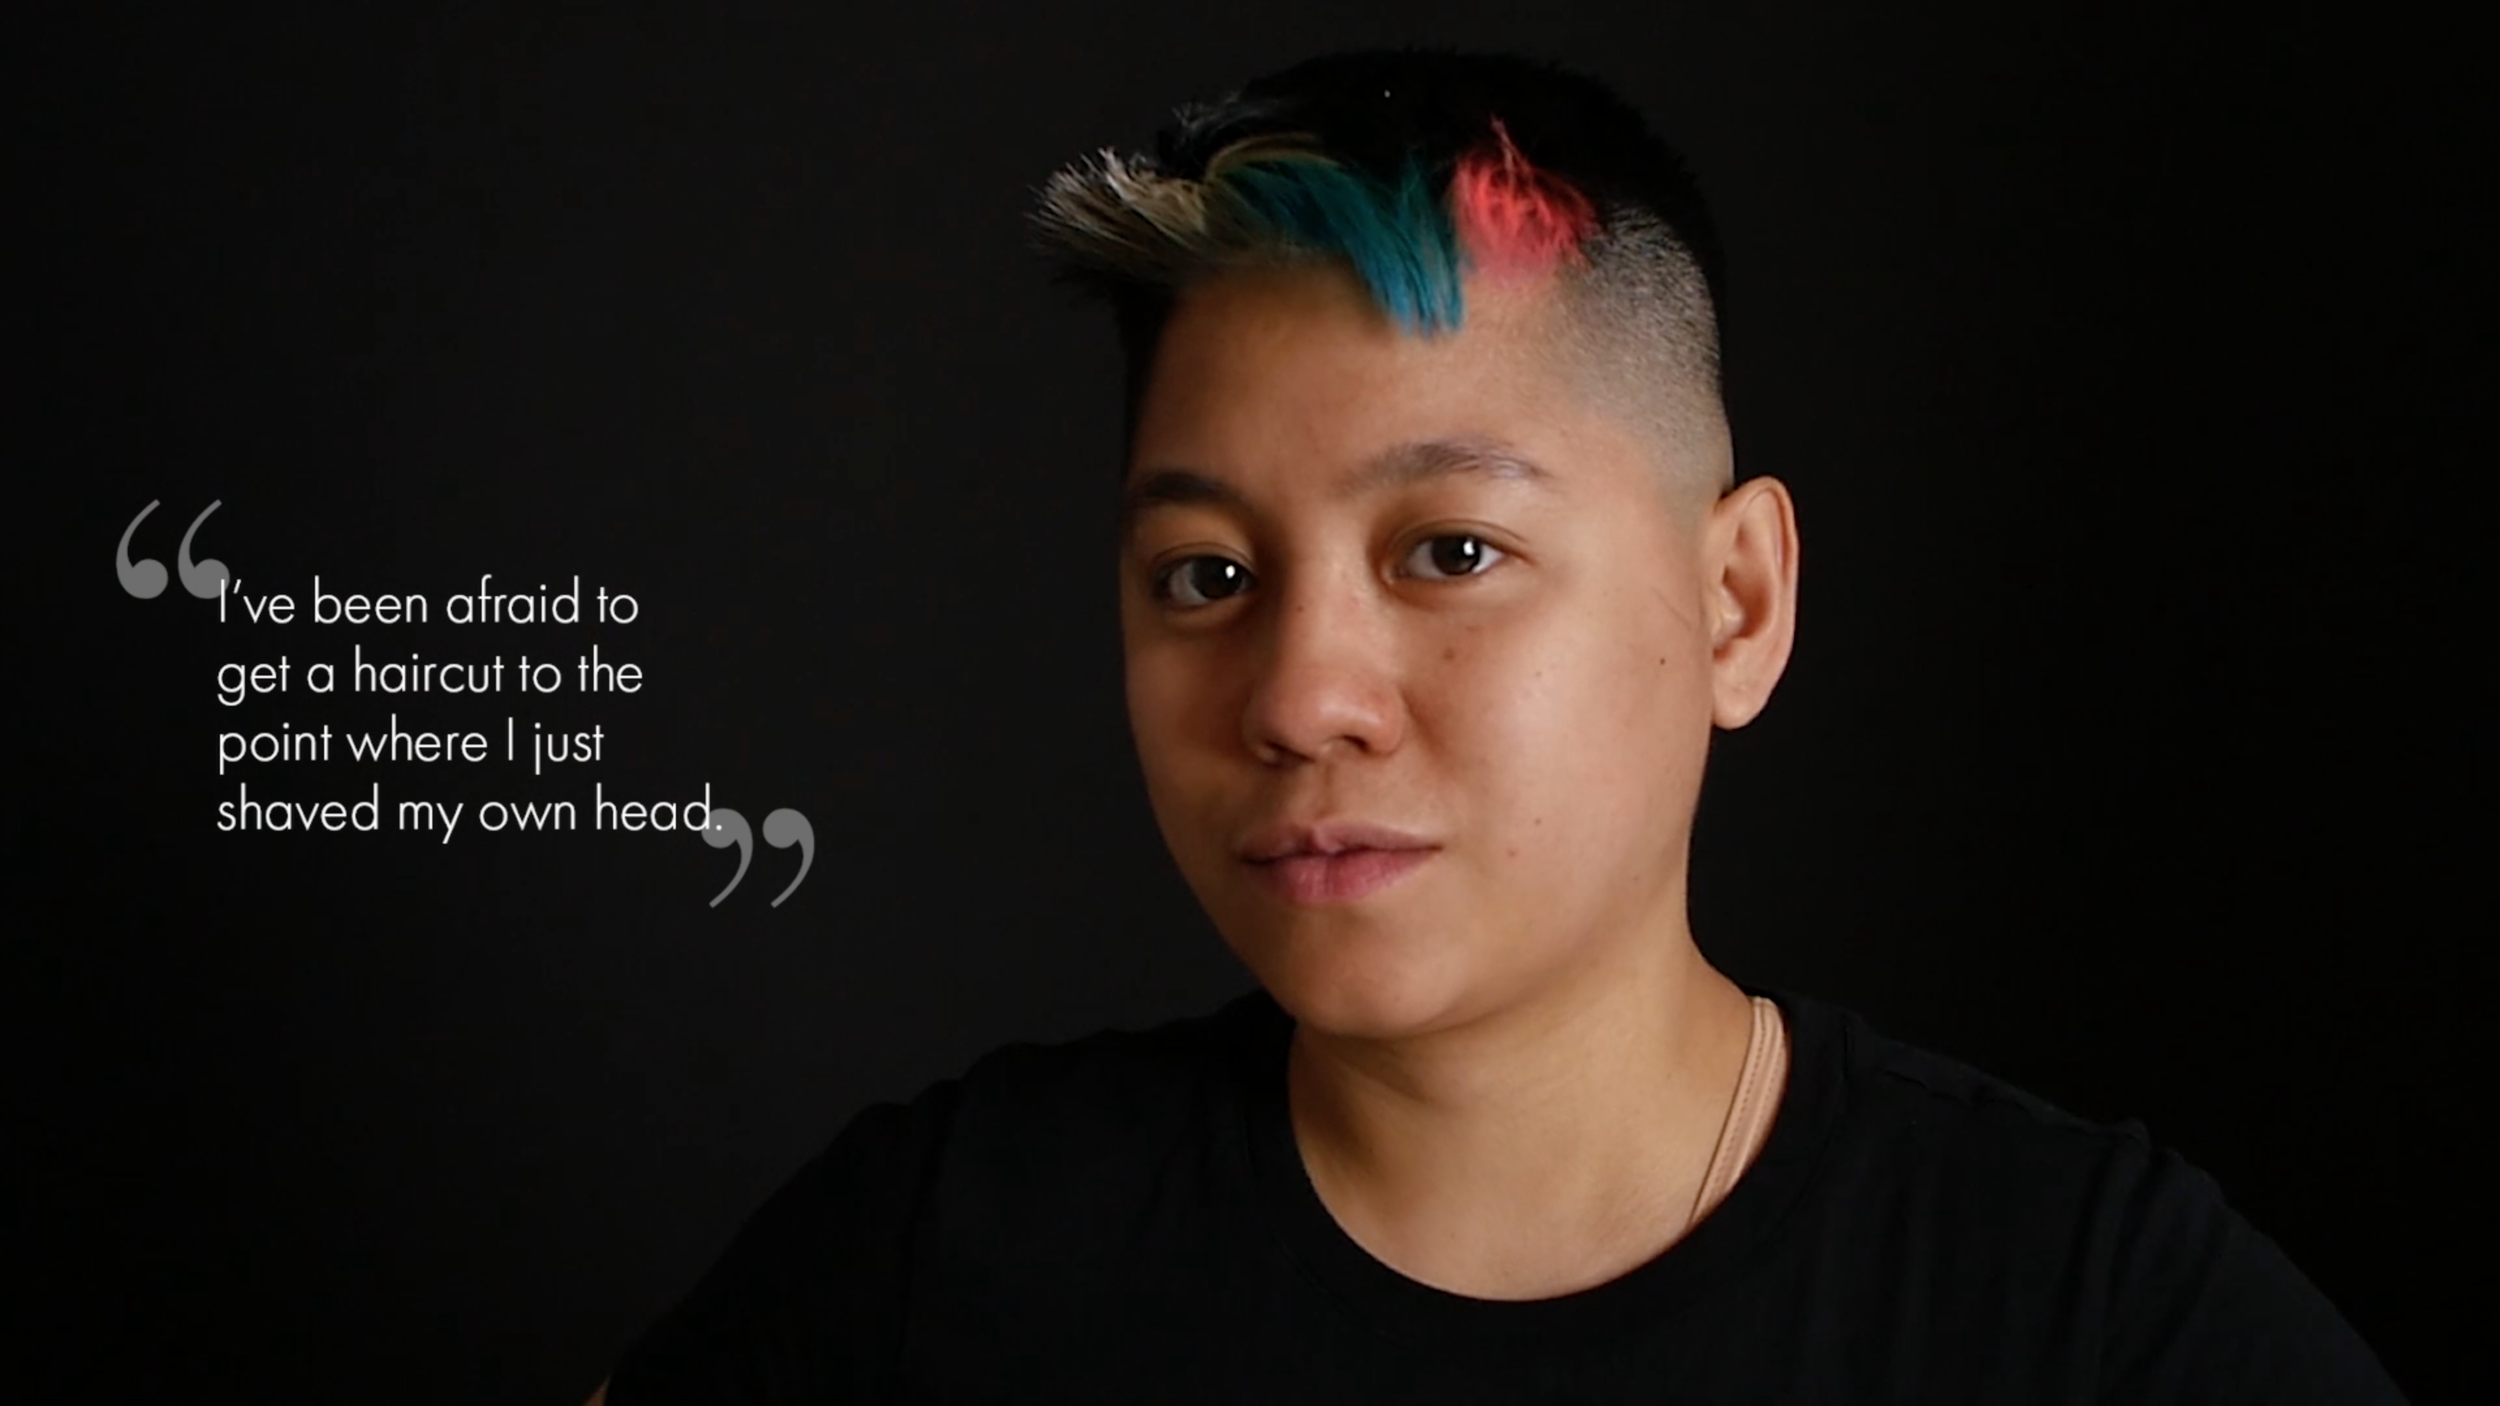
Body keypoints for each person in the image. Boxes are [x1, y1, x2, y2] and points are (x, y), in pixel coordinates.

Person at [586, 47, 2409, 1403]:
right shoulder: (950, 1249)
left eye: (1451, 551)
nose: (1299, 696)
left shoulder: (2085, 1310)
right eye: (1206, 575)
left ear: (1736, 601)